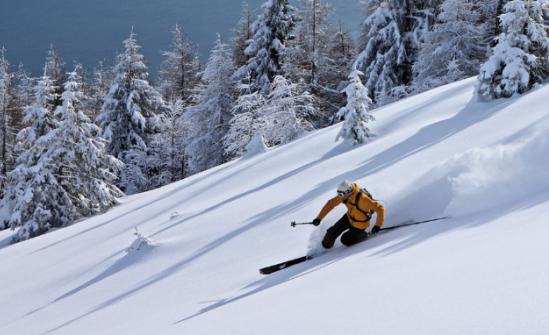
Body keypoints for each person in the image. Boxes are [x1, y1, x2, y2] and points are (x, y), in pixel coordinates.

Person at [313, 180, 385, 249]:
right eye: (339, 194)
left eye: (341, 195)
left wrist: (377, 226)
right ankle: (324, 248)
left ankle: (363, 235)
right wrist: (319, 218)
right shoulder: (345, 195)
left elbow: (380, 208)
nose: (339, 197)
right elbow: (330, 203)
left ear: (348, 192)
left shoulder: (363, 199)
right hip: (349, 218)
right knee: (330, 234)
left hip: (360, 224)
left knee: (345, 240)